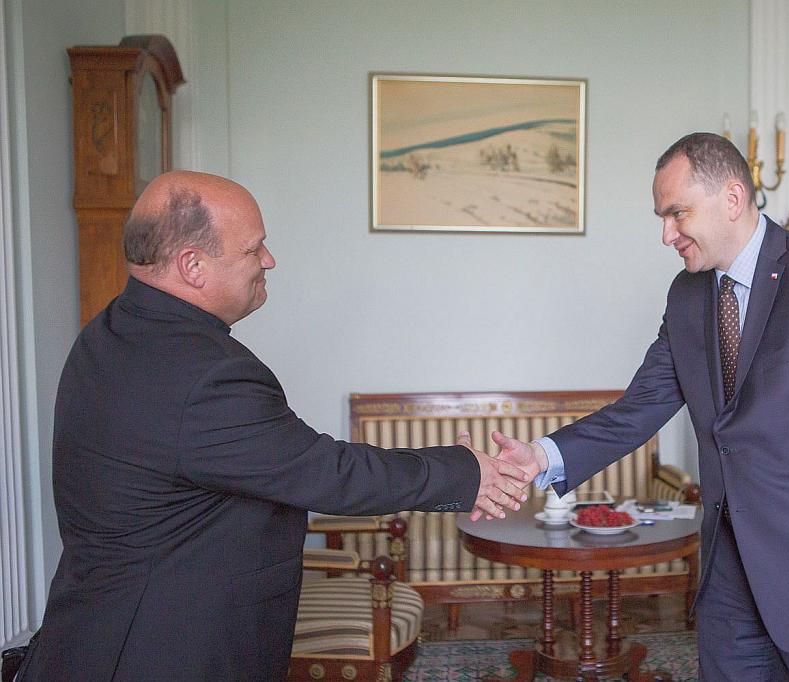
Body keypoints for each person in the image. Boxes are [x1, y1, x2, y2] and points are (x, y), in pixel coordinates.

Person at [16, 171, 529, 681]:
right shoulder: (206, 373)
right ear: (192, 265)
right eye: (252, 248)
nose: (269, 259)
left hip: (101, 630)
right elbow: (329, 472)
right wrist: (468, 473)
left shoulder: (114, 330)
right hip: (164, 651)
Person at [487, 133, 789, 680]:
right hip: (729, 585)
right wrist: (541, 456)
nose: (666, 234)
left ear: (732, 198)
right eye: (662, 218)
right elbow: (640, 407)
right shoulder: (686, 295)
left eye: (677, 213)